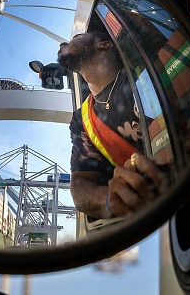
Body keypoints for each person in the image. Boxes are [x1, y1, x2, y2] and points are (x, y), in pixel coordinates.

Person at [57, 31, 165, 219]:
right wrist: (111, 199)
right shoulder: (82, 119)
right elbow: (80, 184)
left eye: (76, 37)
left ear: (104, 44)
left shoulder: (144, 75)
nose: (62, 44)